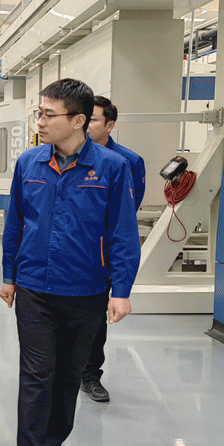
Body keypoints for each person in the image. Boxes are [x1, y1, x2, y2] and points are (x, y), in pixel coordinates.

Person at [0, 79, 140, 446]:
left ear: (78, 120)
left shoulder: (112, 168)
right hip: (34, 286)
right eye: (39, 113)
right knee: (36, 373)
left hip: (86, 289)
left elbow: (122, 232)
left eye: (48, 115)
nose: (40, 122)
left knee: (68, 375)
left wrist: (121, 289)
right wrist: (8, 276)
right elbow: (15, 223)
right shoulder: (29, 163)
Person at [83, 95, 146, 403]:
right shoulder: (69, 155)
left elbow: (128, 212)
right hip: (72, 250)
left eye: (93, 119)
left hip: (102, 252)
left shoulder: (126, 162)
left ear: (110, 125)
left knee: (96, 317)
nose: (85, 124)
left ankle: (90, 375)